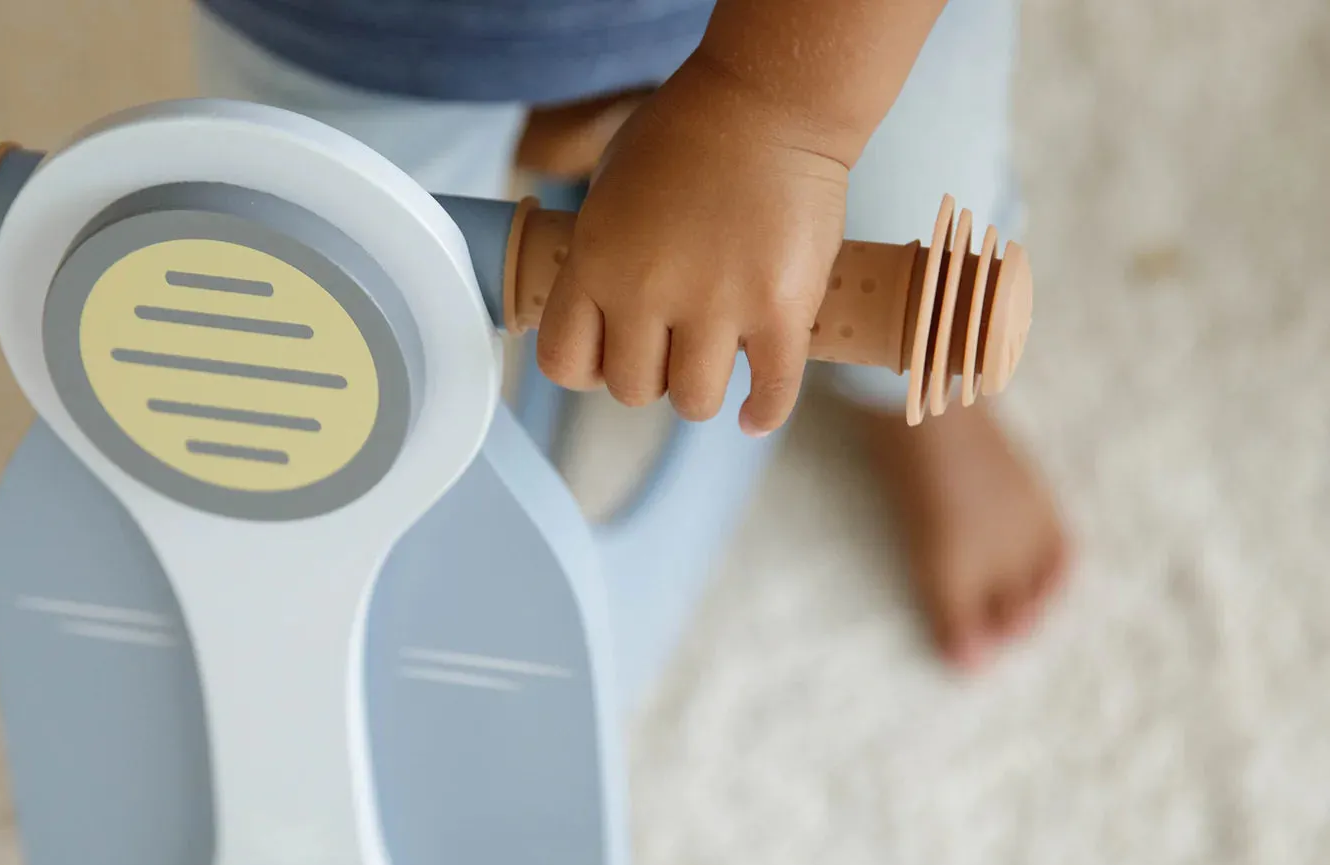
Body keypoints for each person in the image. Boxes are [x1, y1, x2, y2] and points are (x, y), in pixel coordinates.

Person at [194, 0, 1068, 669]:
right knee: (316, 313)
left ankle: (911, 405)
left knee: (915, 232)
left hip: (828, 44)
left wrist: (778, 116)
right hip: (354, 27)